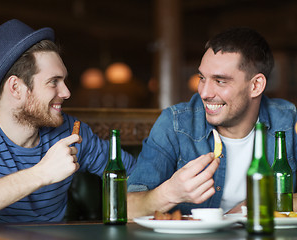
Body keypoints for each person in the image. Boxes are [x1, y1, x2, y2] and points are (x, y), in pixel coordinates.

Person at [0, 19, 136, 231]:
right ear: (16, 88)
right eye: (54, 81)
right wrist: (41, 174)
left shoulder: (69, 131)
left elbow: (136, 174)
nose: (66, 93)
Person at [127, 27, 297, 218]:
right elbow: (126, 206)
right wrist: (169, 193)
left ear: (256, 86)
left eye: (220, 81)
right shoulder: (175, 122)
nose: (204, 93)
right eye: (202, 78)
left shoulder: (289, 122)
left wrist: (256, 202)